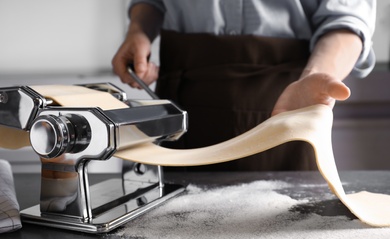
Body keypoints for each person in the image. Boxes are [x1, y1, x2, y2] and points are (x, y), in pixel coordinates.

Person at [112, 0, 376, 172]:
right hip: (184, 102)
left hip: (288, 104)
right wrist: (139, 30)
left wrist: (316, 75)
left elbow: (348, 20)